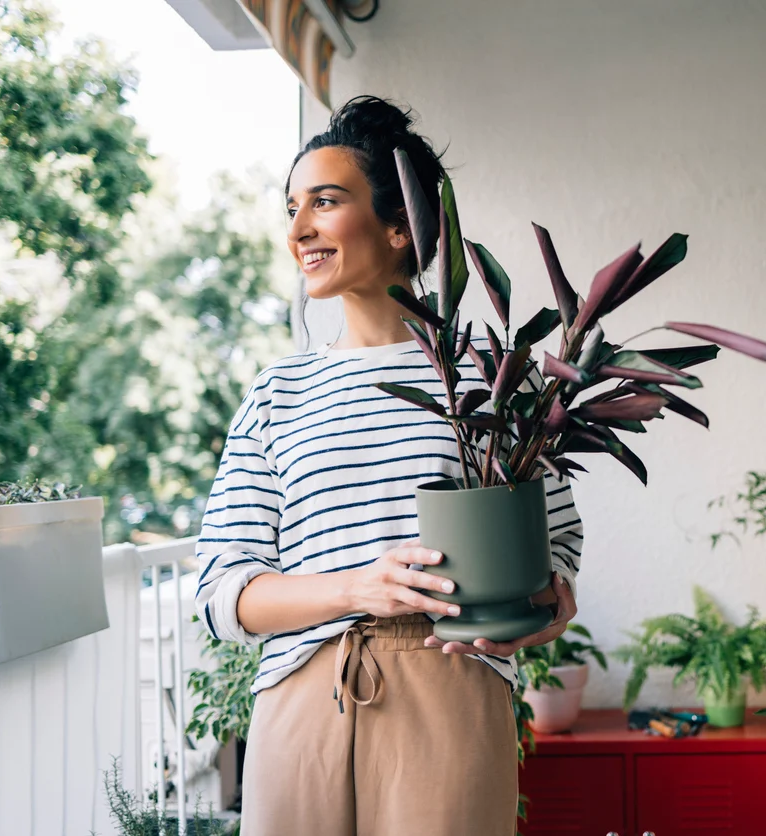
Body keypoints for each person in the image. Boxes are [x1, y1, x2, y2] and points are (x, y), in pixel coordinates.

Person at [194, 96, 583, 835]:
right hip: (301, 701)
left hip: (449, 688)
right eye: (292, 208)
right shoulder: (279, 393)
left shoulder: (494, 378)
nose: (298, 229)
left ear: (400, 226)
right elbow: (222, 593)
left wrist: (544, 610)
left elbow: (555, 549)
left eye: (326, 202)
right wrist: (356, 586)